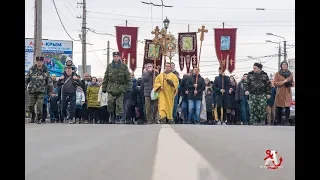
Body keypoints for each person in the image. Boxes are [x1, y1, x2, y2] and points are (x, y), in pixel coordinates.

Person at [102, 51, 132, 124]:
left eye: (117, 56)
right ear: (113, 57)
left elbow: (128, 78)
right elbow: (106, 77)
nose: (116, 58)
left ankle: (118, 118)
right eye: (114, 56)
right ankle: (111, 115)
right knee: (110, 102)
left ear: (119, 57)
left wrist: (129, 88)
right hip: (111, 87)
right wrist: (104, 87)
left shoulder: (124, 66)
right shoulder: (109, 66)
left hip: (121, 87)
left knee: (119, 104)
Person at [25, 56, 52, 124]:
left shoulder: (46, 71)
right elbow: (26, 79)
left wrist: (50, 92)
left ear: (43, 62)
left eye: (40, 61)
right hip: (32, 90)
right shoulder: (31, 70)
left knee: (39, 105)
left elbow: (49, 82)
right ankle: (33, 116)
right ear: (36, 62)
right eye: (38, 61)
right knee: (30, 106)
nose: (39, 62)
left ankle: (39, 118)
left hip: (41, 91)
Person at [273, 61, 294, 126]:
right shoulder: (277, 73)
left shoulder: (290, 74)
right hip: (280, 92)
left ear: (287, 66)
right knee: (279, 107)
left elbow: (293, 83)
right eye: (283, 65)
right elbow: (275, 83)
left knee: (287, 107)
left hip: (288, 92)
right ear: (281, 66)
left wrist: (290, 84)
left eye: (285, 65)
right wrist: (283, 82)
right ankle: (279, 121)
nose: (284, 66)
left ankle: (286, 121)